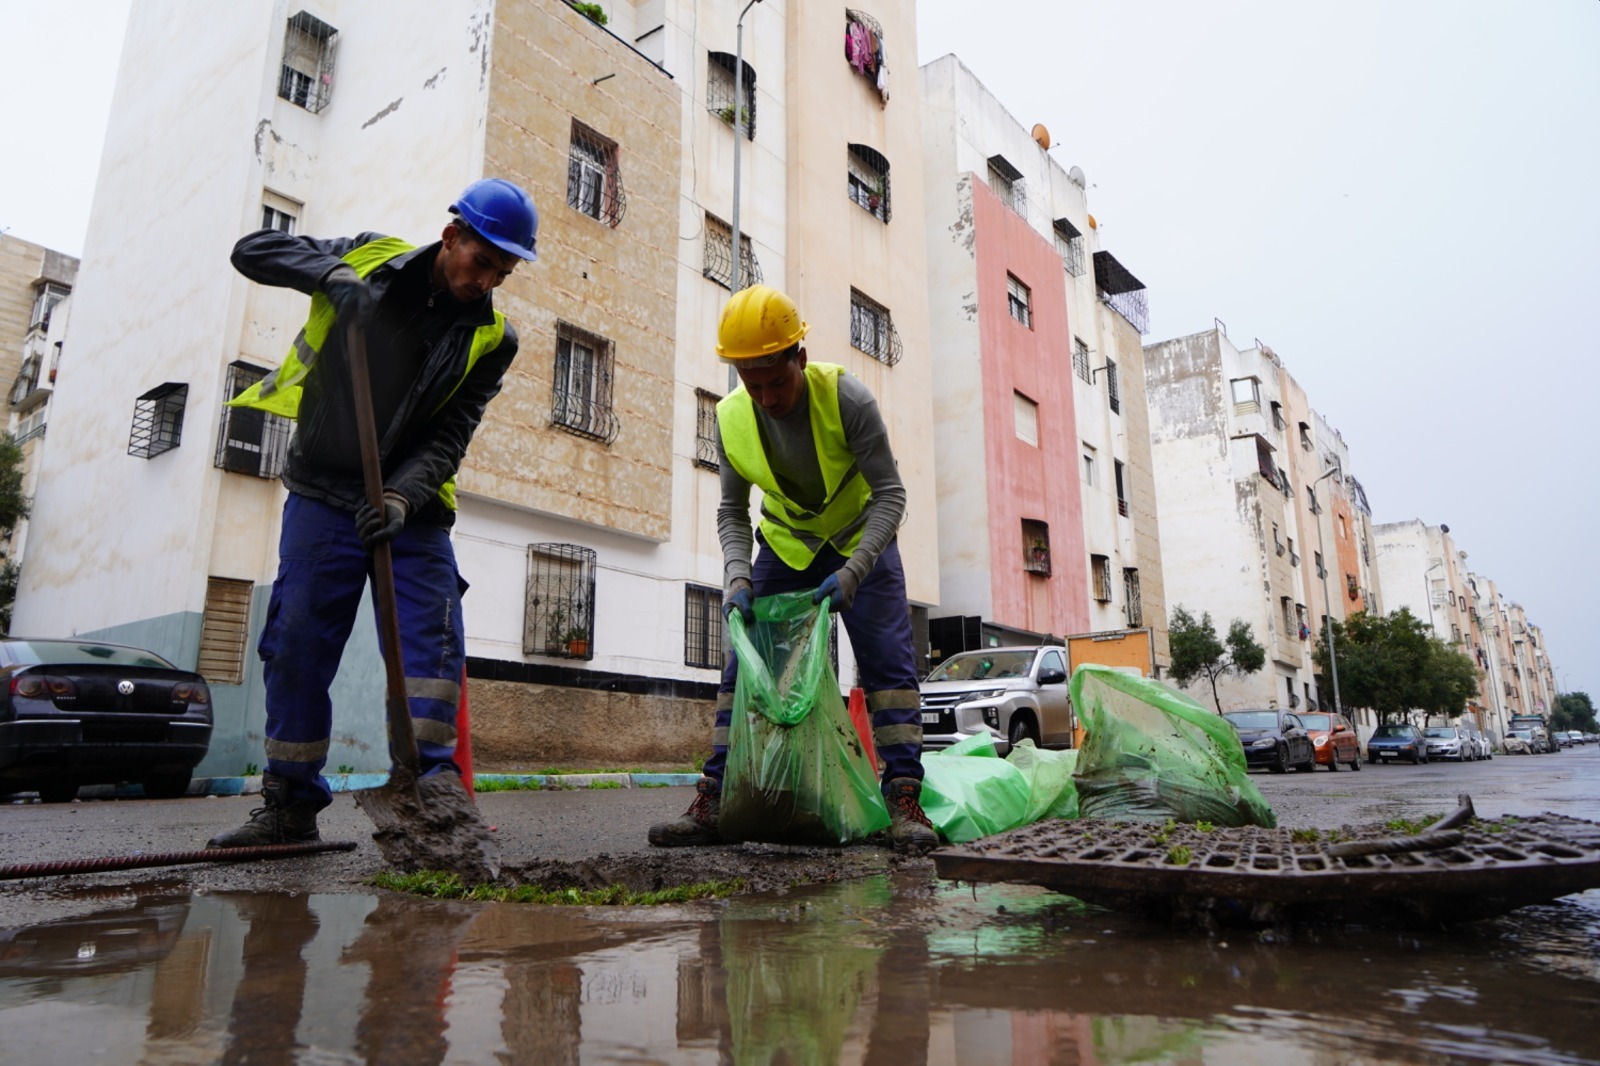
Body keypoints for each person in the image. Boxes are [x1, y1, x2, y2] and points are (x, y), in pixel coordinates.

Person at [207, 178, 538, 848]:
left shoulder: (493, 338)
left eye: (502, 272)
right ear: (451, 238)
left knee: (430, 648)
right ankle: (289, 805)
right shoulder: (369, 258)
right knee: (297, 640)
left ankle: (432, 797)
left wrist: (401, 496)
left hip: (411, 510)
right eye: (481, 262)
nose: (486, 282)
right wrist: (328, 274)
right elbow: (252, 249)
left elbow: (451, 436)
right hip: (324, 489)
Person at [649, 285, 937, 853]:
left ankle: (904, 798)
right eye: (752, 385)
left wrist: (856, 570)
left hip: (860, 540)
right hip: (784, 546)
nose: (767, 398)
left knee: (889, 667)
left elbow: (891, 496)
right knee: (747, 664)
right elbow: (732, 511)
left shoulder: (847, 400)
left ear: (799, 357)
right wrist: (738, 577)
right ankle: (715, 795)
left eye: (776, 381)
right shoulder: (732, 419)